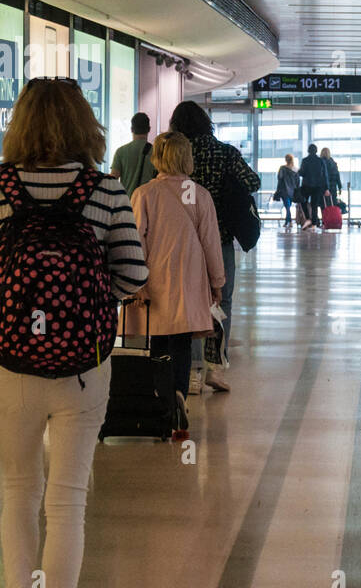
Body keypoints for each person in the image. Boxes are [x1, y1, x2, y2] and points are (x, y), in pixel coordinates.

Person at [0, 77, 148, 588]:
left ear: (20, 124)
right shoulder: (105, 188)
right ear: (82, 124)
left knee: (19, 489)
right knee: (67, 500)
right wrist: (88, 301)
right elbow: (133, 274)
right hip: (83, 367)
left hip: (10, 362)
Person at [125, 132, 225, 407]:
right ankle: (179, 392)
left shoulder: (144, 193)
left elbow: (136, 240)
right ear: (187, 157)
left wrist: (137, 281)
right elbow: (210, 242)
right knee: (181, 340)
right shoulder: (200, 194)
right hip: (190, 276)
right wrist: (217, 282)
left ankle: (161, 397)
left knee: (157, 339)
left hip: (154, 276)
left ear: (157, 158)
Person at [169, 100, 260, 389]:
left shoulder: (176, 156)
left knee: (188, 301)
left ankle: (193, 371)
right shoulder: (225, 152)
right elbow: (253, 182)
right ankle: (215, 367)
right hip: (219, 240)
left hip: (182, 241)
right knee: (221, 302)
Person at [109, 112, 156, 197]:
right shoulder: (156, 152)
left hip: (127, 204)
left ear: (131, 129)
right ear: (149, 129)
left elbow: (113, 180)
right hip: (148, 203)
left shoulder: (121, 152)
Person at [299, 143, 329, 228]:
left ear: (308, 151)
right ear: (316, 151)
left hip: (307, 185)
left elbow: (302, 173)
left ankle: (308, 218)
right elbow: (325, 175)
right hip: (318, 186)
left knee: (303, 201)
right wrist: (326, 188)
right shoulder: (321, 161)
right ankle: (314, 224)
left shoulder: (305, 160)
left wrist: (298, 171)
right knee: (314, 205)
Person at [274, 154, 299, 228]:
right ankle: (288, 221)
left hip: (284, 190)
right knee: (288, 206)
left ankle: (289, 221)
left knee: (287, 207)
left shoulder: (282, 168)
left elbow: (279, 178)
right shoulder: (295, 169)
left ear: (286, 160)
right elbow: (298, 181)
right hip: (293, 191)